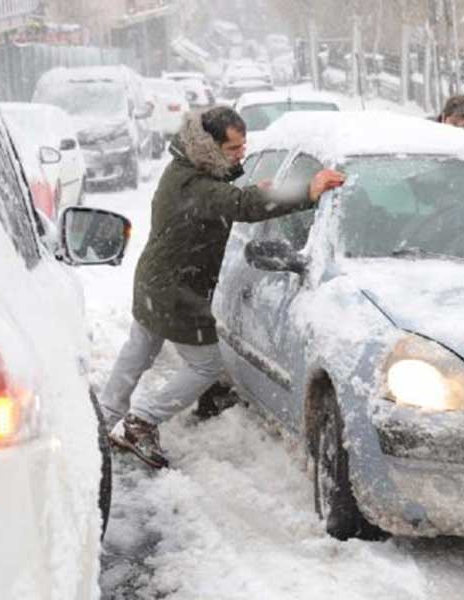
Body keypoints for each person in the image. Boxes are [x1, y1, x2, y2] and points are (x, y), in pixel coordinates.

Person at [101, 106, 345, 469]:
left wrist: (246, 189)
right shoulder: (194, 184)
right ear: (210, 148)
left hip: (158, 279)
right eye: (233, 149)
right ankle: (141, 421)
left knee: (140, 347)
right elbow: (239, 205)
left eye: (242, 146)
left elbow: (224, 196)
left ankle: (105, 416)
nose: (241, 153)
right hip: (177, 289)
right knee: (205, 365)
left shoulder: (186, 167)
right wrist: (306, 191)